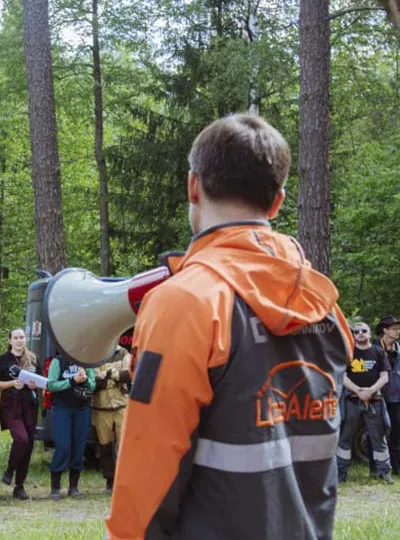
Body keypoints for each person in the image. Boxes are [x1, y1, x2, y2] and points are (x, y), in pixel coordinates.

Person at [105, 114, 353, 539]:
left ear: (193, 186)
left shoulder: (185, 302)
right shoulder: (324, 305)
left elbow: (149, 465)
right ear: (277, 202)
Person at [337, 322, 392, 483]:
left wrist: (369, 391)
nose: (360, 333)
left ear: (369, 334)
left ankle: (383, 473)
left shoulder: (378, 352)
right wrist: (358, 391)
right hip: (351, 400)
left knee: (379, 437)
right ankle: (341, 474)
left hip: (375, 400)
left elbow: (385, 377)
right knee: (345, 438)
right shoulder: (348, 353)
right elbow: (342, 377)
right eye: (356, 331)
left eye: (364, 331)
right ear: (352, 335)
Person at [0, 328, 39, 500]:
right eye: (16, 338)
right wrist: (12, 383)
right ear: (10, 340)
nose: (19, 340)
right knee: (21, 439)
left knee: (29, 444)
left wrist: (35, 384)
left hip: (30, 404)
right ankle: (10, 470)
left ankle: (19, 486)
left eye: (22, 337)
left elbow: (40, 379)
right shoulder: (2, 360)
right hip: (11, 405)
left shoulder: (32, 358)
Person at [45, 353, 95, 499]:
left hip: (82, 409)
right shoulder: (58, 361)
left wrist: (85, 379)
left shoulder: (86, 360)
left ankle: (74, 487)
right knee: (63, 446)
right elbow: (52, 385)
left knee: (79, 446)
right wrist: (72, 380)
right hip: (62, 408)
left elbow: (93, 385)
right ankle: (55, 486)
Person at [91, 346, 132, 493]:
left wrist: (108, 374)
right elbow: (93, 380)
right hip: (100, 407)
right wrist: (114, 376)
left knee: (125, 446)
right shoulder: (94, 354)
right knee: (104, 446)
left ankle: (125, 481)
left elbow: (128, 374)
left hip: (121, 405)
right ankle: (110, 480)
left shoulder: (123, 353)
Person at [376, 315, 400, 473]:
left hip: (397, 396)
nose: (398, 331)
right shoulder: (374, 349)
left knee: (397, 432)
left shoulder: (399, 349)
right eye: (394, 328)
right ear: (385, 330)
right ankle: (379, 468)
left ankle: (397, 467)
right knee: (380, 432)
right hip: (379, 396)